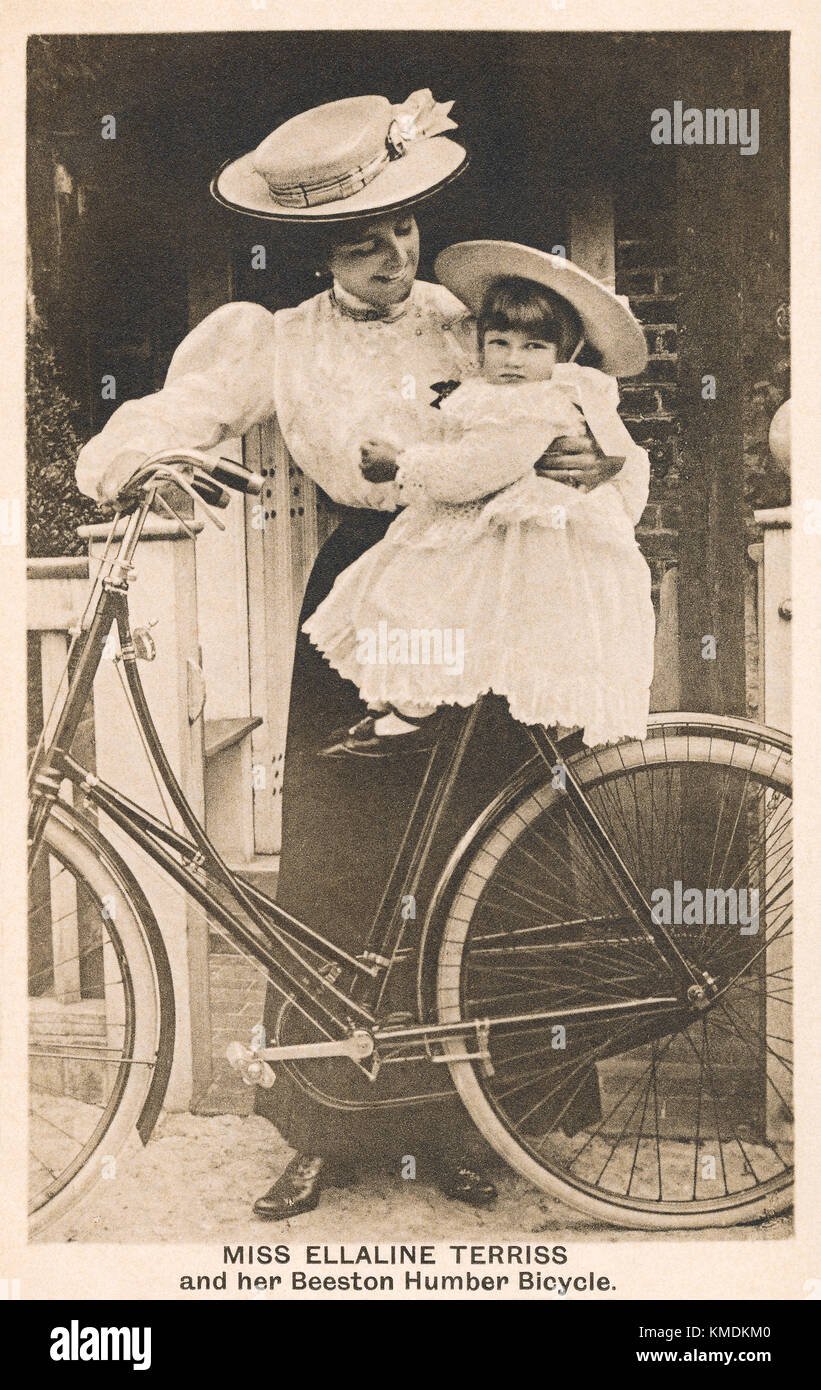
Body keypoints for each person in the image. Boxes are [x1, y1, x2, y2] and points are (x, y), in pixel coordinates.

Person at [74, 94, 637, 1221]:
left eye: (400, 232)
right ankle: (328, 1126)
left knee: (482, 850)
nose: (390, 259)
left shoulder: (469, 317)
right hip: (363, 599)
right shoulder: (273, 342)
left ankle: (476, 1121)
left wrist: (585, 463)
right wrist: (127, 463)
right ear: (312, 252)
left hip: (489, 590)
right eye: (357, 243)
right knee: (341, 863)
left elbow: (589, 435)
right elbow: (175, 412)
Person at [305, 247, 655, 755]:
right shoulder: (495, 389)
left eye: (533, 346)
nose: (513, 358)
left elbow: (475, 471)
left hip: (526, 545)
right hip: (475, 524)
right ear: (481, 343)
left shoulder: (534, 404)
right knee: (398, 596)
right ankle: (403, 697)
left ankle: (418, 707)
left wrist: (402, 462)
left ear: (563, 355)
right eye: (501, 343)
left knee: (424, 599)